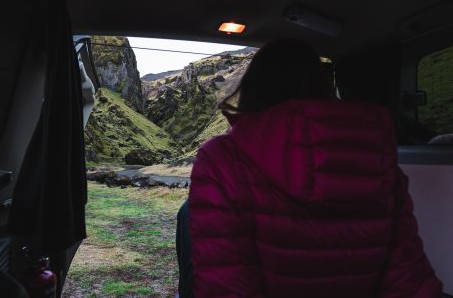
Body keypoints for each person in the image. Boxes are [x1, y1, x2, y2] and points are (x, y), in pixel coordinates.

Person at [176, 38, 442, 298]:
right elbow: (409, 279)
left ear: (252, 90)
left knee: (187, 213)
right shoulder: (378, 161)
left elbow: (226, 285)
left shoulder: (222, 159)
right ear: (324, 88)